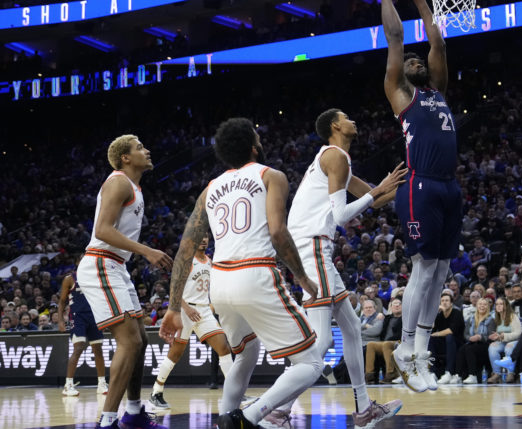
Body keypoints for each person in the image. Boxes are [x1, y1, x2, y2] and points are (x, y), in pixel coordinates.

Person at [159, 118, 324, 429]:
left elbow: (184, 250)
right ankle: (250, 416)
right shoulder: (271, 176)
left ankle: (225, 417)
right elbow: (277, 232)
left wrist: (171, 307)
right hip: (255, 273)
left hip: (219, 283)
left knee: (245, 352)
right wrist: (302, 277)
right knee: (311, 361)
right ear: (254, 146)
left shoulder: (210, 189)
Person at [275, 108, 404, 423]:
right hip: (314, 247)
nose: (354, 120)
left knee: (351, 328)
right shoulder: (336, 156)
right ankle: (276, 408)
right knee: (322, 339)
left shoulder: (336, 161)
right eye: (347, 117)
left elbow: (375, 198)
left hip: (313, 248)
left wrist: (411, 185)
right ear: (335, 126)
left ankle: (363, 409)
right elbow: (344, 215)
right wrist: (378, 190)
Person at [382, 0, 462, 393]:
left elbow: (439, 46)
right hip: (420, 184)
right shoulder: (400, 92)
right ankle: (405, 349)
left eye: (419, 60)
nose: (416, 62)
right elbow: (395, 38)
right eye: (410, 62)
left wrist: (423, 5)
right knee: (424, 269)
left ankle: (421, 352)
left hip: (449, 185)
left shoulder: (439, 89)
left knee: (442, 272)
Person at [76, 134, 173, 429]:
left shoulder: (134, 187)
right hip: (101, 262)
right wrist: (146, 251)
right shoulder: (118, 181)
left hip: (116, 266)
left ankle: (133, 413)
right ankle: (107, 421)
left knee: (140, 341)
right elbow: (103, 230)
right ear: (125, 158)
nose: (148, 150)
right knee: (129, 341)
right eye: (140, 147)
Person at [149, 236, 236, 410]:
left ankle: (235, 392)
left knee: (224, 347)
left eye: (206, 237)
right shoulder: (188, 260)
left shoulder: (209, 262)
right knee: (175, 353)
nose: (203, 240)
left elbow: (210, 287)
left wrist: (210, 304)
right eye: (200, 237)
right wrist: (187, 309)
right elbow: (174, 288)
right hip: (184, 311)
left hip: (203, 310)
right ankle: (156, 392)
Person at [57, 270, 108, 396]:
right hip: (77, 316)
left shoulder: (97, 277)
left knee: (98, 349)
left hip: (94, 316)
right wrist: (60, 320)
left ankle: (101, 384)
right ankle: (68, 385)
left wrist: (106, 317)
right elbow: (62, 301)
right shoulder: (70, 278)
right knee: (78, 347)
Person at [455, 298, 496, 384]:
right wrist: (469, 338)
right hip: (472, 343)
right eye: (480, 304)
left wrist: (480, 337)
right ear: (477, 306)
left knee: (469, 348)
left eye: (484, 304)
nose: (482, 306)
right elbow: (465, 333)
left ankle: (472, 375)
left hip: (485, 345)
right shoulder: (471, 319)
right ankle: (458, 375)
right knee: (462, 349)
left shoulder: (491, 320)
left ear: (488, 307)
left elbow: (491, 336)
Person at [430, 293, 465, 384]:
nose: (444, 303)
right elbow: (432, 330)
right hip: (444, 343)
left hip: (457, 343)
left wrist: (436, 334)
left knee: (449, 337)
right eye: (442, 301)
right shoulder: (440, 315)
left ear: (451, 303)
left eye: (447, 300)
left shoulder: (457, 313)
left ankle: (449, 372)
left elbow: (451, 331)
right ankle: (432, 372)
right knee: (430, 340)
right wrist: (434, 315)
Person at [486, 297, 522, 384]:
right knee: (492, 347)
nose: (498, 306)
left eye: (501, 304)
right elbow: (498, 334)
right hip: (503, 341)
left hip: (515, 341)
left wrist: (504, 336)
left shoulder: (513, 316)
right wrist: (496, 337)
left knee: (508, 347)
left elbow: (518, 333)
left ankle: (511, 373)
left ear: (506, 306)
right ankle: (496, 373)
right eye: (497, 304)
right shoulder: (496, 318)